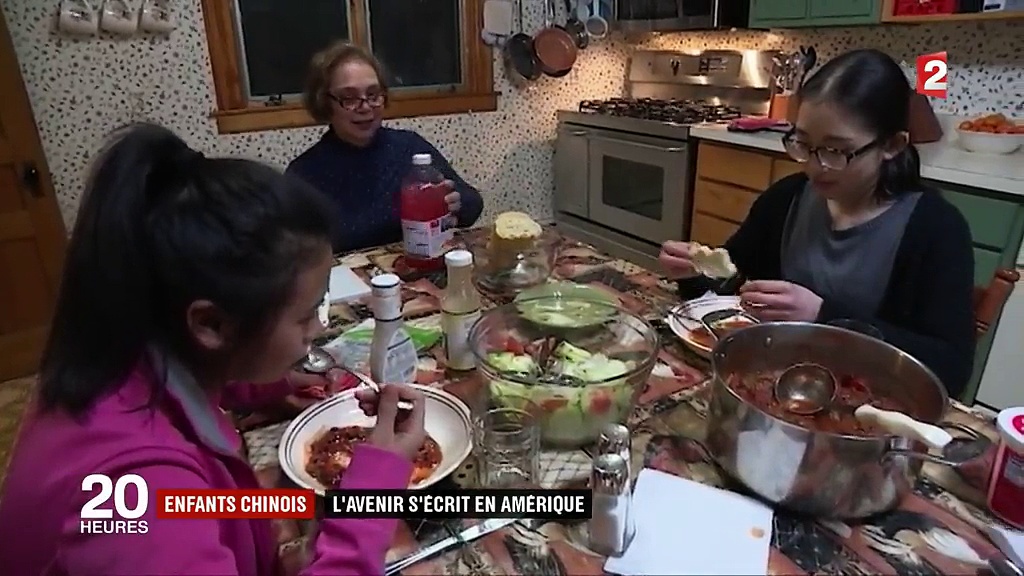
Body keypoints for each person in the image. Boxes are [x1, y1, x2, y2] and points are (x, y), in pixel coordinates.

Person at [0, 123, 427, 576]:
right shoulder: (134, 494)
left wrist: (260, 385)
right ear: (211, 324)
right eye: (304, 316)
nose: (318, 329)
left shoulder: (115, 357)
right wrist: (372, 494)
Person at [658, 49, 975, 398]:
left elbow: (950, 370)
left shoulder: (936, 229)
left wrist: (822, 316)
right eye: (803, 144)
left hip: (867, 405)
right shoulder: (786, 199)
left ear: (892, 145)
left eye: (835, 151)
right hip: (774, 386)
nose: (815, 166)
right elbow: (728, 288)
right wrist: (694, 272)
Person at [288, 41, 484, 254]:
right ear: (324, 102)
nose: (365, 107)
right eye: (349, 98)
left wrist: (456, 203)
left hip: (416, 266)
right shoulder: (304, 174)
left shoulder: (409, 147)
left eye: (373, 95)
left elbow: (473, 203)